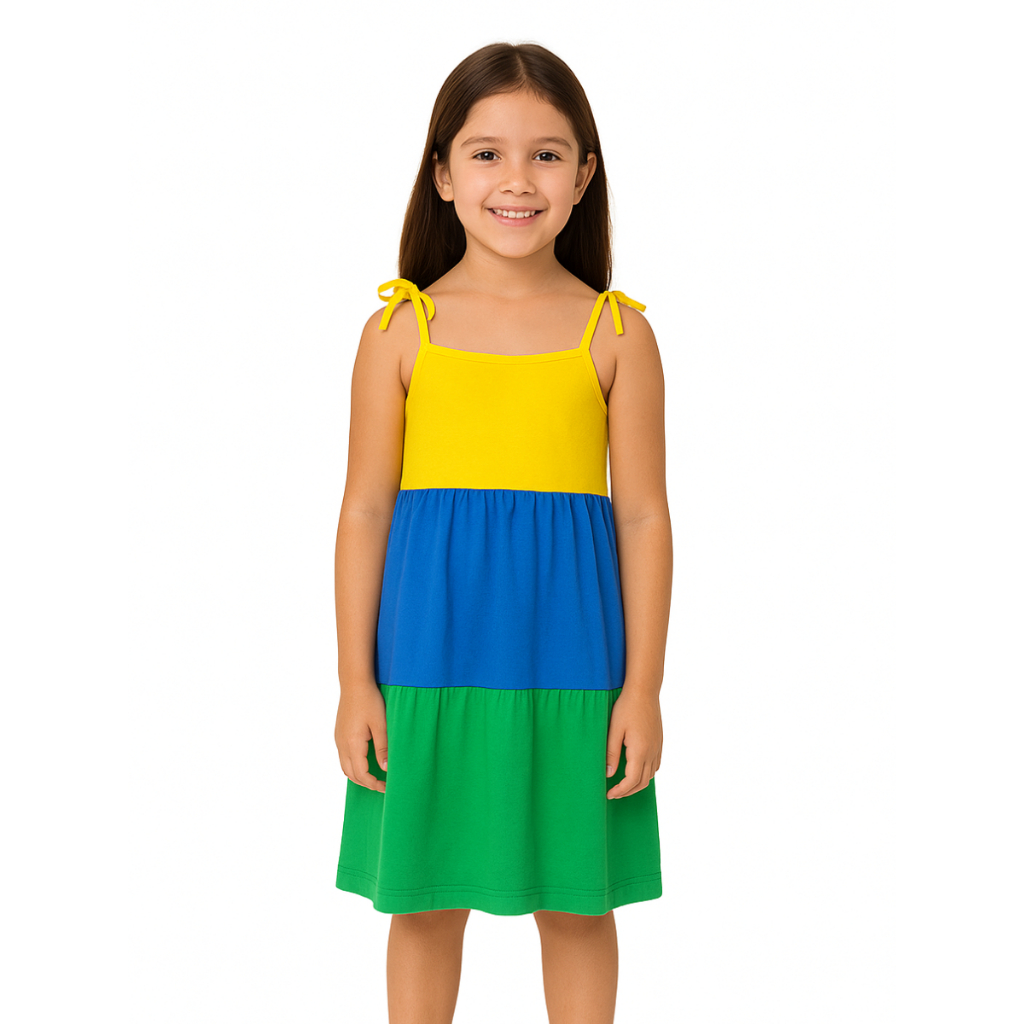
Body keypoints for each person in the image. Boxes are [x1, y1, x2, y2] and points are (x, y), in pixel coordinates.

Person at [333, 41, 671, 1024]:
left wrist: (642, 689)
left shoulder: (617, 333)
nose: (516, 180)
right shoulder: (401, 329)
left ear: (584, 176)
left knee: (578, 901)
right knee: (423, 899)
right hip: (426, 663)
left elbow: (643, 515)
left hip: (574, 665)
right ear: (442, 174)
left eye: (545, 155)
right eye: (486, 154)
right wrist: (355, 681)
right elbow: (364, 509)